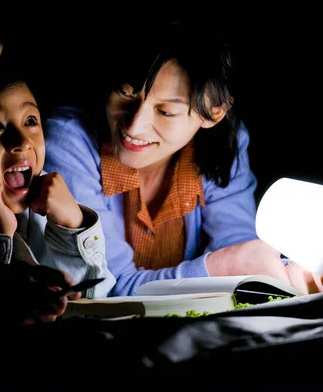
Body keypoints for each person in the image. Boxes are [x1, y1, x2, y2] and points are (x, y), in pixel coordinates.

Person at [43, 21, 322, 296]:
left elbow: (240, 246)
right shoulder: (71, 139)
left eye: (166, 112)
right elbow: (107, 286)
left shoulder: (224, 144)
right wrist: (222, 265)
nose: (133, 126)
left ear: (213, 113)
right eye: (125, 94)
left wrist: (285, 272)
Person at [0, 63, 116, 309]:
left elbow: (95, 303)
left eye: (30, 121)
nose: (22, 141)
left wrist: (73, 227)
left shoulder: (51, 202)